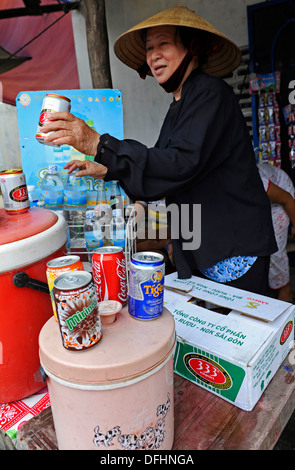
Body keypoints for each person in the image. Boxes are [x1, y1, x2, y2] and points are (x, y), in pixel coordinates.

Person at [40, 5, 277, 295]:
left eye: (163, 43)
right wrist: (107, 167)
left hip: (233, 248)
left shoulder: (210, 93)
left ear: (193, 47)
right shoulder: (181, 103)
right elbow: (161, 163)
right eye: (149, 48)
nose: (153, 55)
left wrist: (96, 143)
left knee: (239, 334)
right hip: (203, 242)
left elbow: (180, 163)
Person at [258, 163, 295, 302]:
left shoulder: (257, 181)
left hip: (282, 195)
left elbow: (287, 199)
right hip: (261, 201)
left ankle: (285, 289)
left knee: (275, 248)